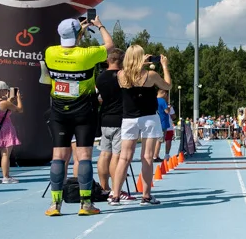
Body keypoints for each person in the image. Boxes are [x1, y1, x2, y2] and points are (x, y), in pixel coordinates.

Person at [40, 15, 114, 216]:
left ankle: (55, 205)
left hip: (58, 111)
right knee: (83, 158)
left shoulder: (50, 52)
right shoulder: (86, 54)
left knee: (59, 157)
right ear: (79, 34)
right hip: (83, 111)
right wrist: (99, 25)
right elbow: (110, 45)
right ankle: (86, 204)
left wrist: (77, 31)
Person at [110, 46, 170, 206]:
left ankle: (115, 195)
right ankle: (146, 195)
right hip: (149, 117)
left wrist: (138, 64)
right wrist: (164, 66)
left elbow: (131, 74)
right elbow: (168, 86)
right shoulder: (150, 75)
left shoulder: (121, 75)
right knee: (147, 157)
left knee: (124, 157)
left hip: (129, 119)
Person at [96, 48, 126, 196]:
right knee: (117, 156)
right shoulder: (121, 76)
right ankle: (116, 190)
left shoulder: (100, 77)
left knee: (104, 154)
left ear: (108, 60)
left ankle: (104, 187)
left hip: (105, 118)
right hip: (119, 119)